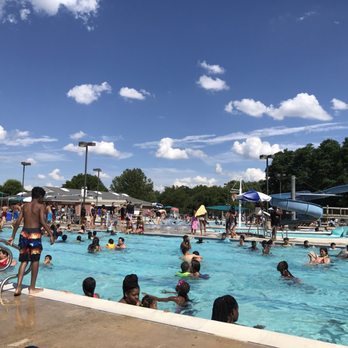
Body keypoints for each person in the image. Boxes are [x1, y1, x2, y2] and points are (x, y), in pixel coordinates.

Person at [8, 187, 55, 296]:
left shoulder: (25, 206)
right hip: (35, 234)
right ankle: (32, 288)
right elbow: (42, 221)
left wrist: (12, 236)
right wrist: (51, 234)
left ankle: (18, 287)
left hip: (24, 234)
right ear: (39, 196)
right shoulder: (41, 206)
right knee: (35, 261)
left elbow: (18, 221)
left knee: (24, 261)